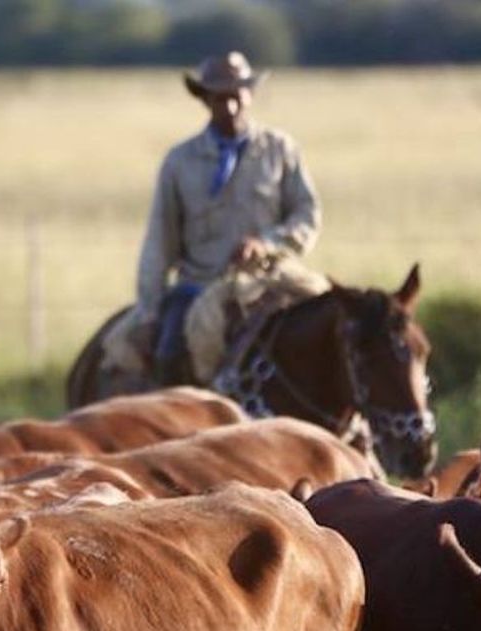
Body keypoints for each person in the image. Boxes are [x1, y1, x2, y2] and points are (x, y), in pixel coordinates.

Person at [100, 51, 328, 387]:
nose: (231, 107)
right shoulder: (180, 162)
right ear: (205, 99)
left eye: (236, 97)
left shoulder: (280, 150)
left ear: (249, 94)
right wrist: (149, 311)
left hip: (270, 278)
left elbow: (307, 214)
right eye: (221, 99)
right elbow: (159, 243)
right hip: (200, 285)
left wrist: (268, 243)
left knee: (330, 331)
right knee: (168, 353)